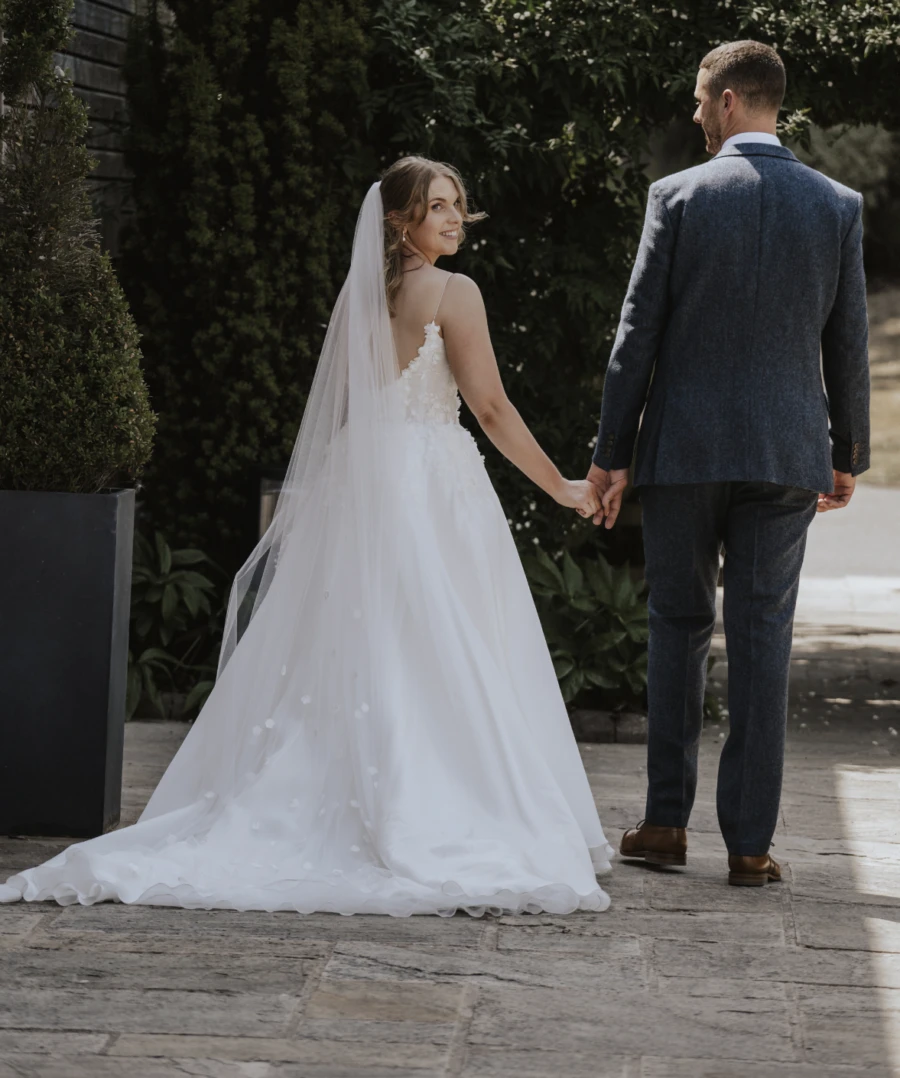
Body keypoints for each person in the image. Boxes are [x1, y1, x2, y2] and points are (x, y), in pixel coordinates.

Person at [1, 157, 613, 915]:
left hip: (365, 477)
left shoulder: (361, 297)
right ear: (400, 221)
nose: (457, 219)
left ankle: (342, 794)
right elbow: (488, 408)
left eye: (459, 205)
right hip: (429, 478)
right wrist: (561, 487)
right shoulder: (455, 292)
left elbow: (350, 412)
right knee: (440, 639)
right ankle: (435, 807)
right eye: (438, 207)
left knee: (363, 642)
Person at [587, 40, 870, 886]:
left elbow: (636, 337)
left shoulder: (675, 197)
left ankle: (666, 826)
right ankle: (750, 846)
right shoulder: (837, 204)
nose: (697, 114)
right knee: (762, 639)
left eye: (704, 100)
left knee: (677, 628)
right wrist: (846, 453)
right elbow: (847, 343)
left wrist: (611, 455)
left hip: (684, 450)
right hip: (788, 452)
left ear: (737, 100)